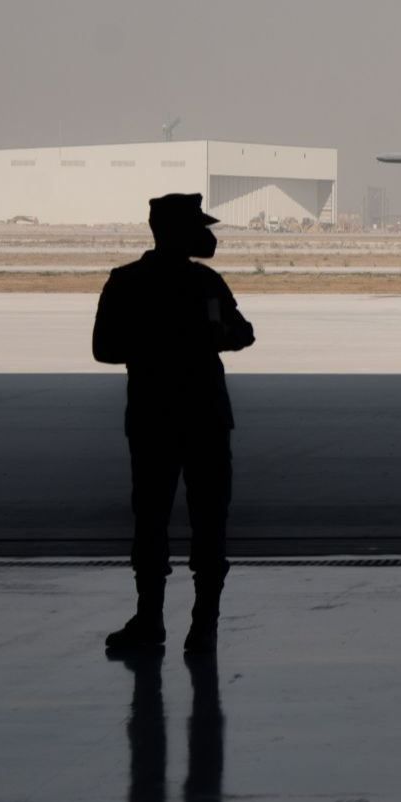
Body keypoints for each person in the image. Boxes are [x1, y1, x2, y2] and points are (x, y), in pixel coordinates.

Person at [94, 193, 255, 654]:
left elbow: (104, 348)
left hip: (152, 418)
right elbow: (243, 333)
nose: (209, 236)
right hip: (203, 418)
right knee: (209, 522)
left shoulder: (126, 282)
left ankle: (150, 621)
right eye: (199, 227)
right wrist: (203, 339)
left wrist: (149, 347)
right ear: (176, 232)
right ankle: (203, 626)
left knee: (151, 521)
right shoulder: (206, 284)